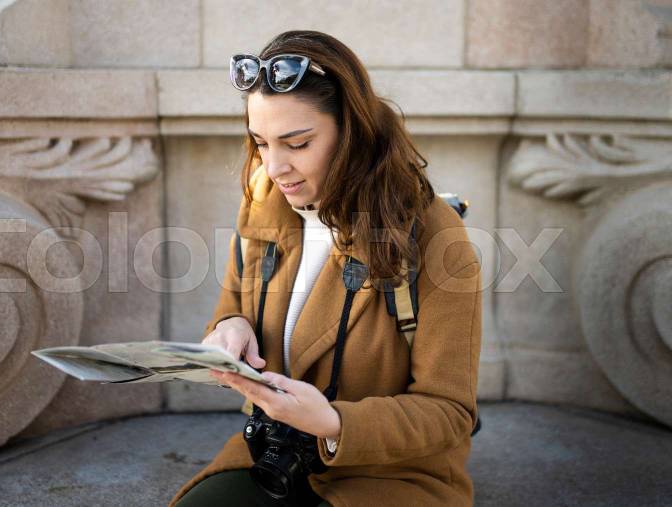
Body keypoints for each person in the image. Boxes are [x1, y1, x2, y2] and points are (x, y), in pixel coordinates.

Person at [170, 30, 482, 507]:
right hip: (270, 455)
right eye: (260, 142)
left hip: (391, 475)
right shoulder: (264, 199)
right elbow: (232, 307)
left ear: (352, 130)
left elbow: (450, 412)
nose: (274, 167)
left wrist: (334, 424)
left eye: (297, 143)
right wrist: (228, 328)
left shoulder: (435, 238)